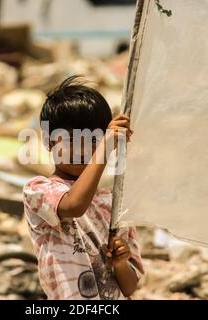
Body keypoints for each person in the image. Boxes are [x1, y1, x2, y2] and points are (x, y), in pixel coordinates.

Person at [22, 76, 144, 300]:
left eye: (93, 141)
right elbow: (75, 205)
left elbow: (129, 287)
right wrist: (105, 144)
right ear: (50, 142)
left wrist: (120, 262)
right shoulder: (38, 191)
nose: (83, 150)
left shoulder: (114, 202)